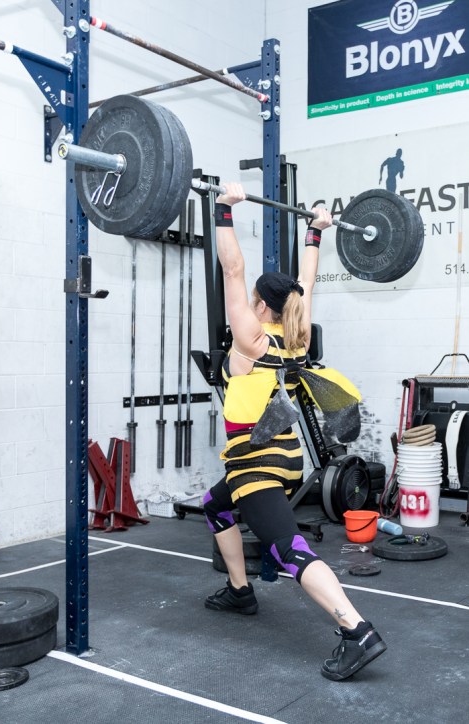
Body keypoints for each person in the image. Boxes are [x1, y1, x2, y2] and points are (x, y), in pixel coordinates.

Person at [202, 182, 387, 681]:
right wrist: (315, 232)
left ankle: (357, 630)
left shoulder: (252, 340)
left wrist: (223, 209)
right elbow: (306, 284)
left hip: (256, 464)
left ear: (261, 306)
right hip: (286, 456)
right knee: (215, 505)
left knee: (288, 549)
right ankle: (240, 591)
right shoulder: (297, 335)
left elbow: (232, 270)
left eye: (253, 300)